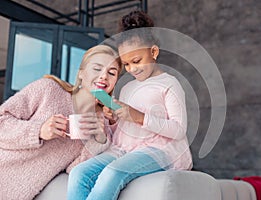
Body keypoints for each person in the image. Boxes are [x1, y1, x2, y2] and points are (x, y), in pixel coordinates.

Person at [67, 10, 193, 200]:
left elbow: (179, 130)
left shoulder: (169, 84)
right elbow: (123, 129)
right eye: (126, 64)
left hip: (160, 150)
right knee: (79, 173)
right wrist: (113, 119)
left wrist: (138, 116)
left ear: (153, 52)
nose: (132, 69)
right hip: (124, 148)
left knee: (112, 172)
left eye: (136, 61)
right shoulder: (126, 87)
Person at [0, 44, 122, 200]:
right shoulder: (48, 89)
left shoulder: (100, 124)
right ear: (81, 73)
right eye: (97, 69)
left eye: (112, 73)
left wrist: (97, 139)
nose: (104, 76)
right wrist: (39, 130)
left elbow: (75, 169)